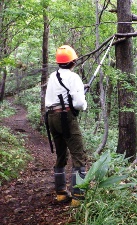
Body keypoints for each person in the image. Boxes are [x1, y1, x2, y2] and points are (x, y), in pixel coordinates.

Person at [45, 45, 87, 207]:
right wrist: (83, 101)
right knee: (78, 156)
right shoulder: (73, 77)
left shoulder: (52, 76)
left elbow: (58, 96)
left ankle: (61, 193)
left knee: (61, 154)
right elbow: (78, 104)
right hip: (66, 118)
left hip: (51, 118)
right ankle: (78, 196)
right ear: (73, 61)